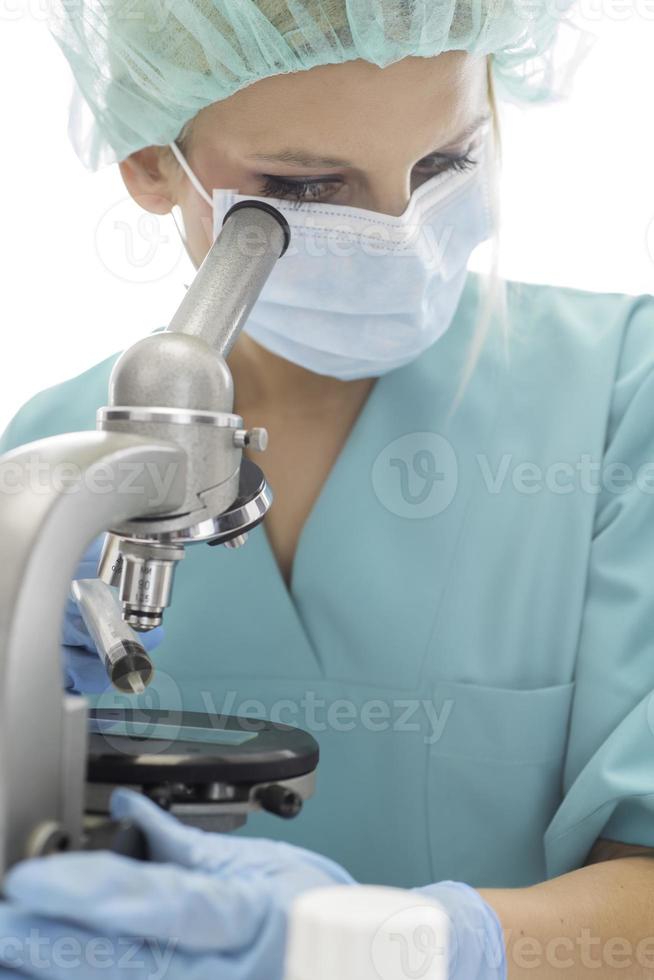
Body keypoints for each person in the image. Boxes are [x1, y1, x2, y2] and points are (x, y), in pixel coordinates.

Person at [1, 2, 653, 977]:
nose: (402, 230)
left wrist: (396, 950)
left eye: (447, 165)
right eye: (306, 185)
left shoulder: (618, 394)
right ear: (147, 160)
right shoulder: (48, 464)